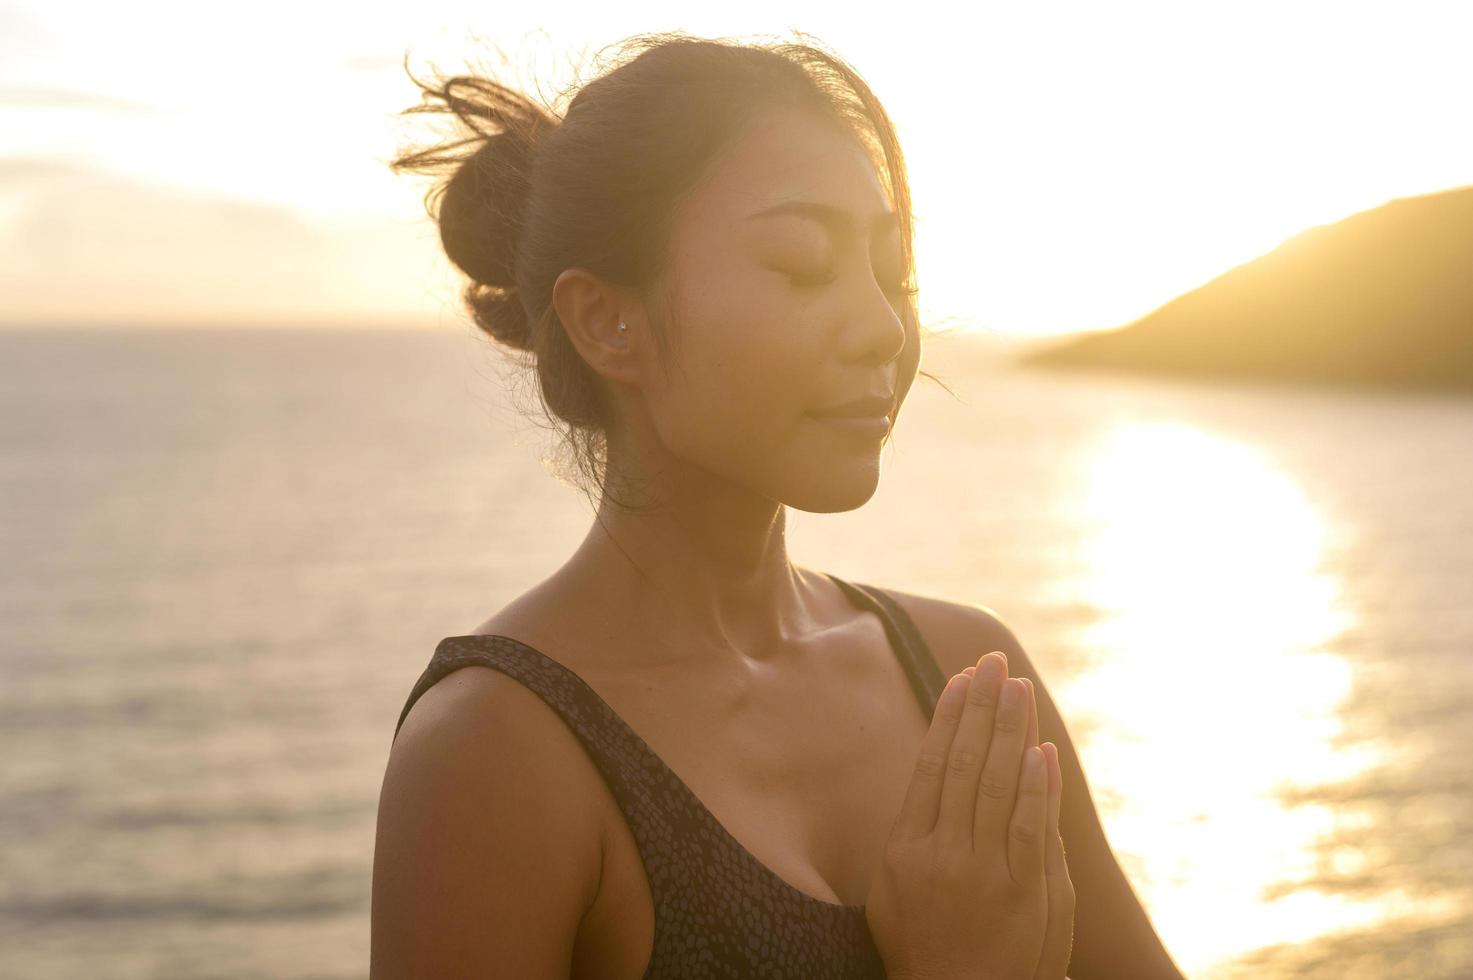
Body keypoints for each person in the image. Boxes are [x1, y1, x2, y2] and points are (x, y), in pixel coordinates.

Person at [370, 31, 1184, 980]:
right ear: (605, 322)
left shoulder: (970, 682)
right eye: (803, 267)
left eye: (894, 274)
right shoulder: (496, 756)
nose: (883, 327)